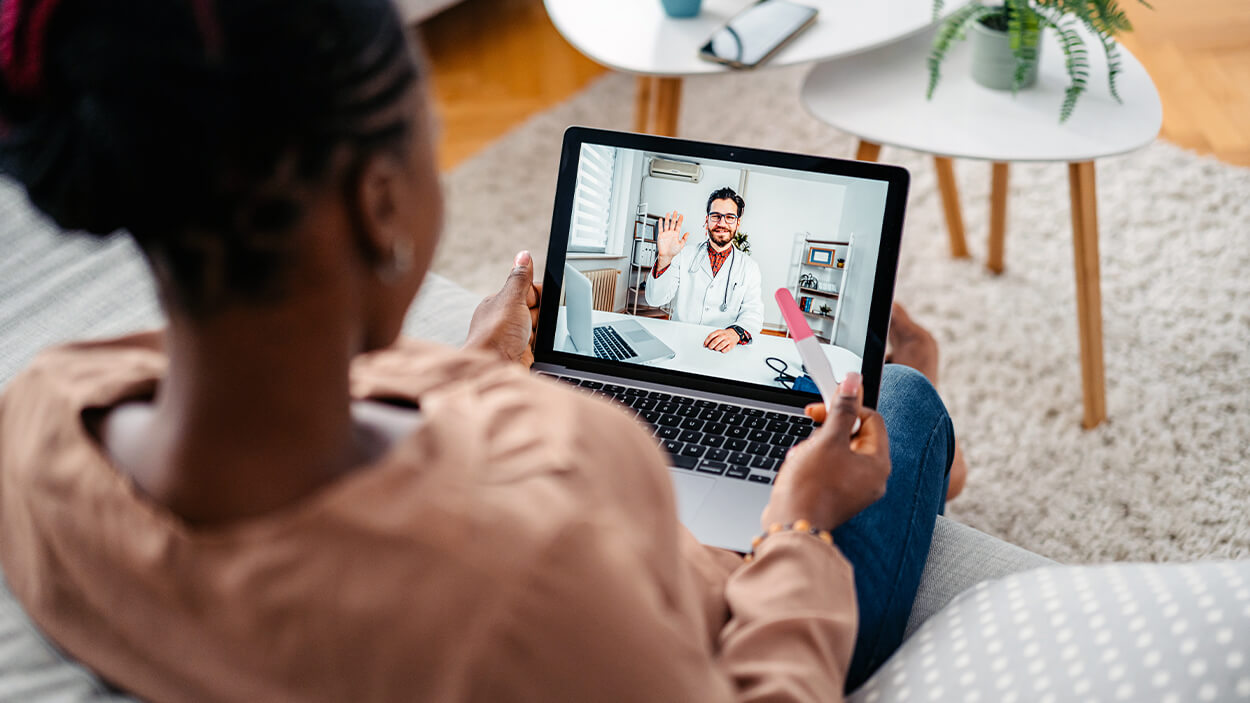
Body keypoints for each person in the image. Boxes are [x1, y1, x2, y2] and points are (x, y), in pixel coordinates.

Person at [0, 0, 956, 700]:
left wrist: (473, 361)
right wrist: (797, 521)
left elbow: (332, 409)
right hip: (716, 605)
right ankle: (924, 434)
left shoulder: (42, 417)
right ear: (380, 205)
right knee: (902, 397)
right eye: (431, 134)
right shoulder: (530, 576)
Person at [644, 187, 765, 353]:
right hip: (680, 341)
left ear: (737, 223)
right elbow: (654, 299)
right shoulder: (683, 254)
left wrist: (734, 333)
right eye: (716, 216)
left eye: (729, 217)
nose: (721, 223)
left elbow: (753, 313)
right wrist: (665, 258)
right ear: (706, 220)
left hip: (722, 349)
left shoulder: (750, 267)